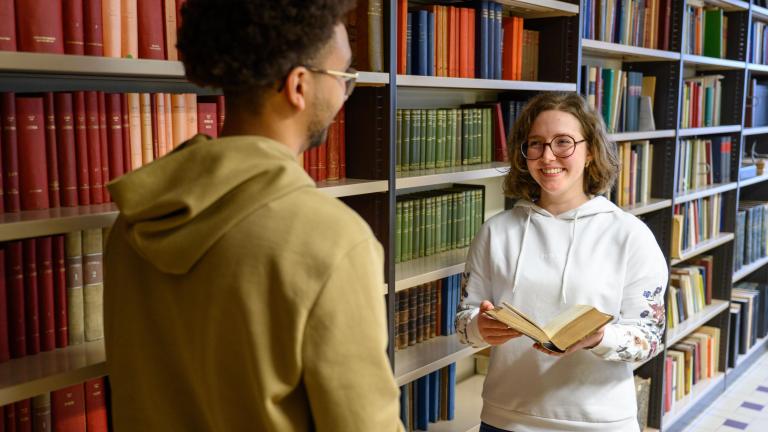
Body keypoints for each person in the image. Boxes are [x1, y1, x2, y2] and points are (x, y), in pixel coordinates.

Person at [103, 1, 402, 430]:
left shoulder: (133, 223)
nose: (344, 94)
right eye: (344, 78)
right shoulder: (332, 240)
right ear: (299, 86)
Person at [456, 92, 668, 432]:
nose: (548, 156)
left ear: (590, 152)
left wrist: (600, 338)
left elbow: (650, 340)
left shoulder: (630, 235)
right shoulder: (494, 232)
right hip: (505, 419)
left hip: (599, 423)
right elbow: (464, 324)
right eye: (536, 144)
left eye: (563, 143)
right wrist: (480, 327)